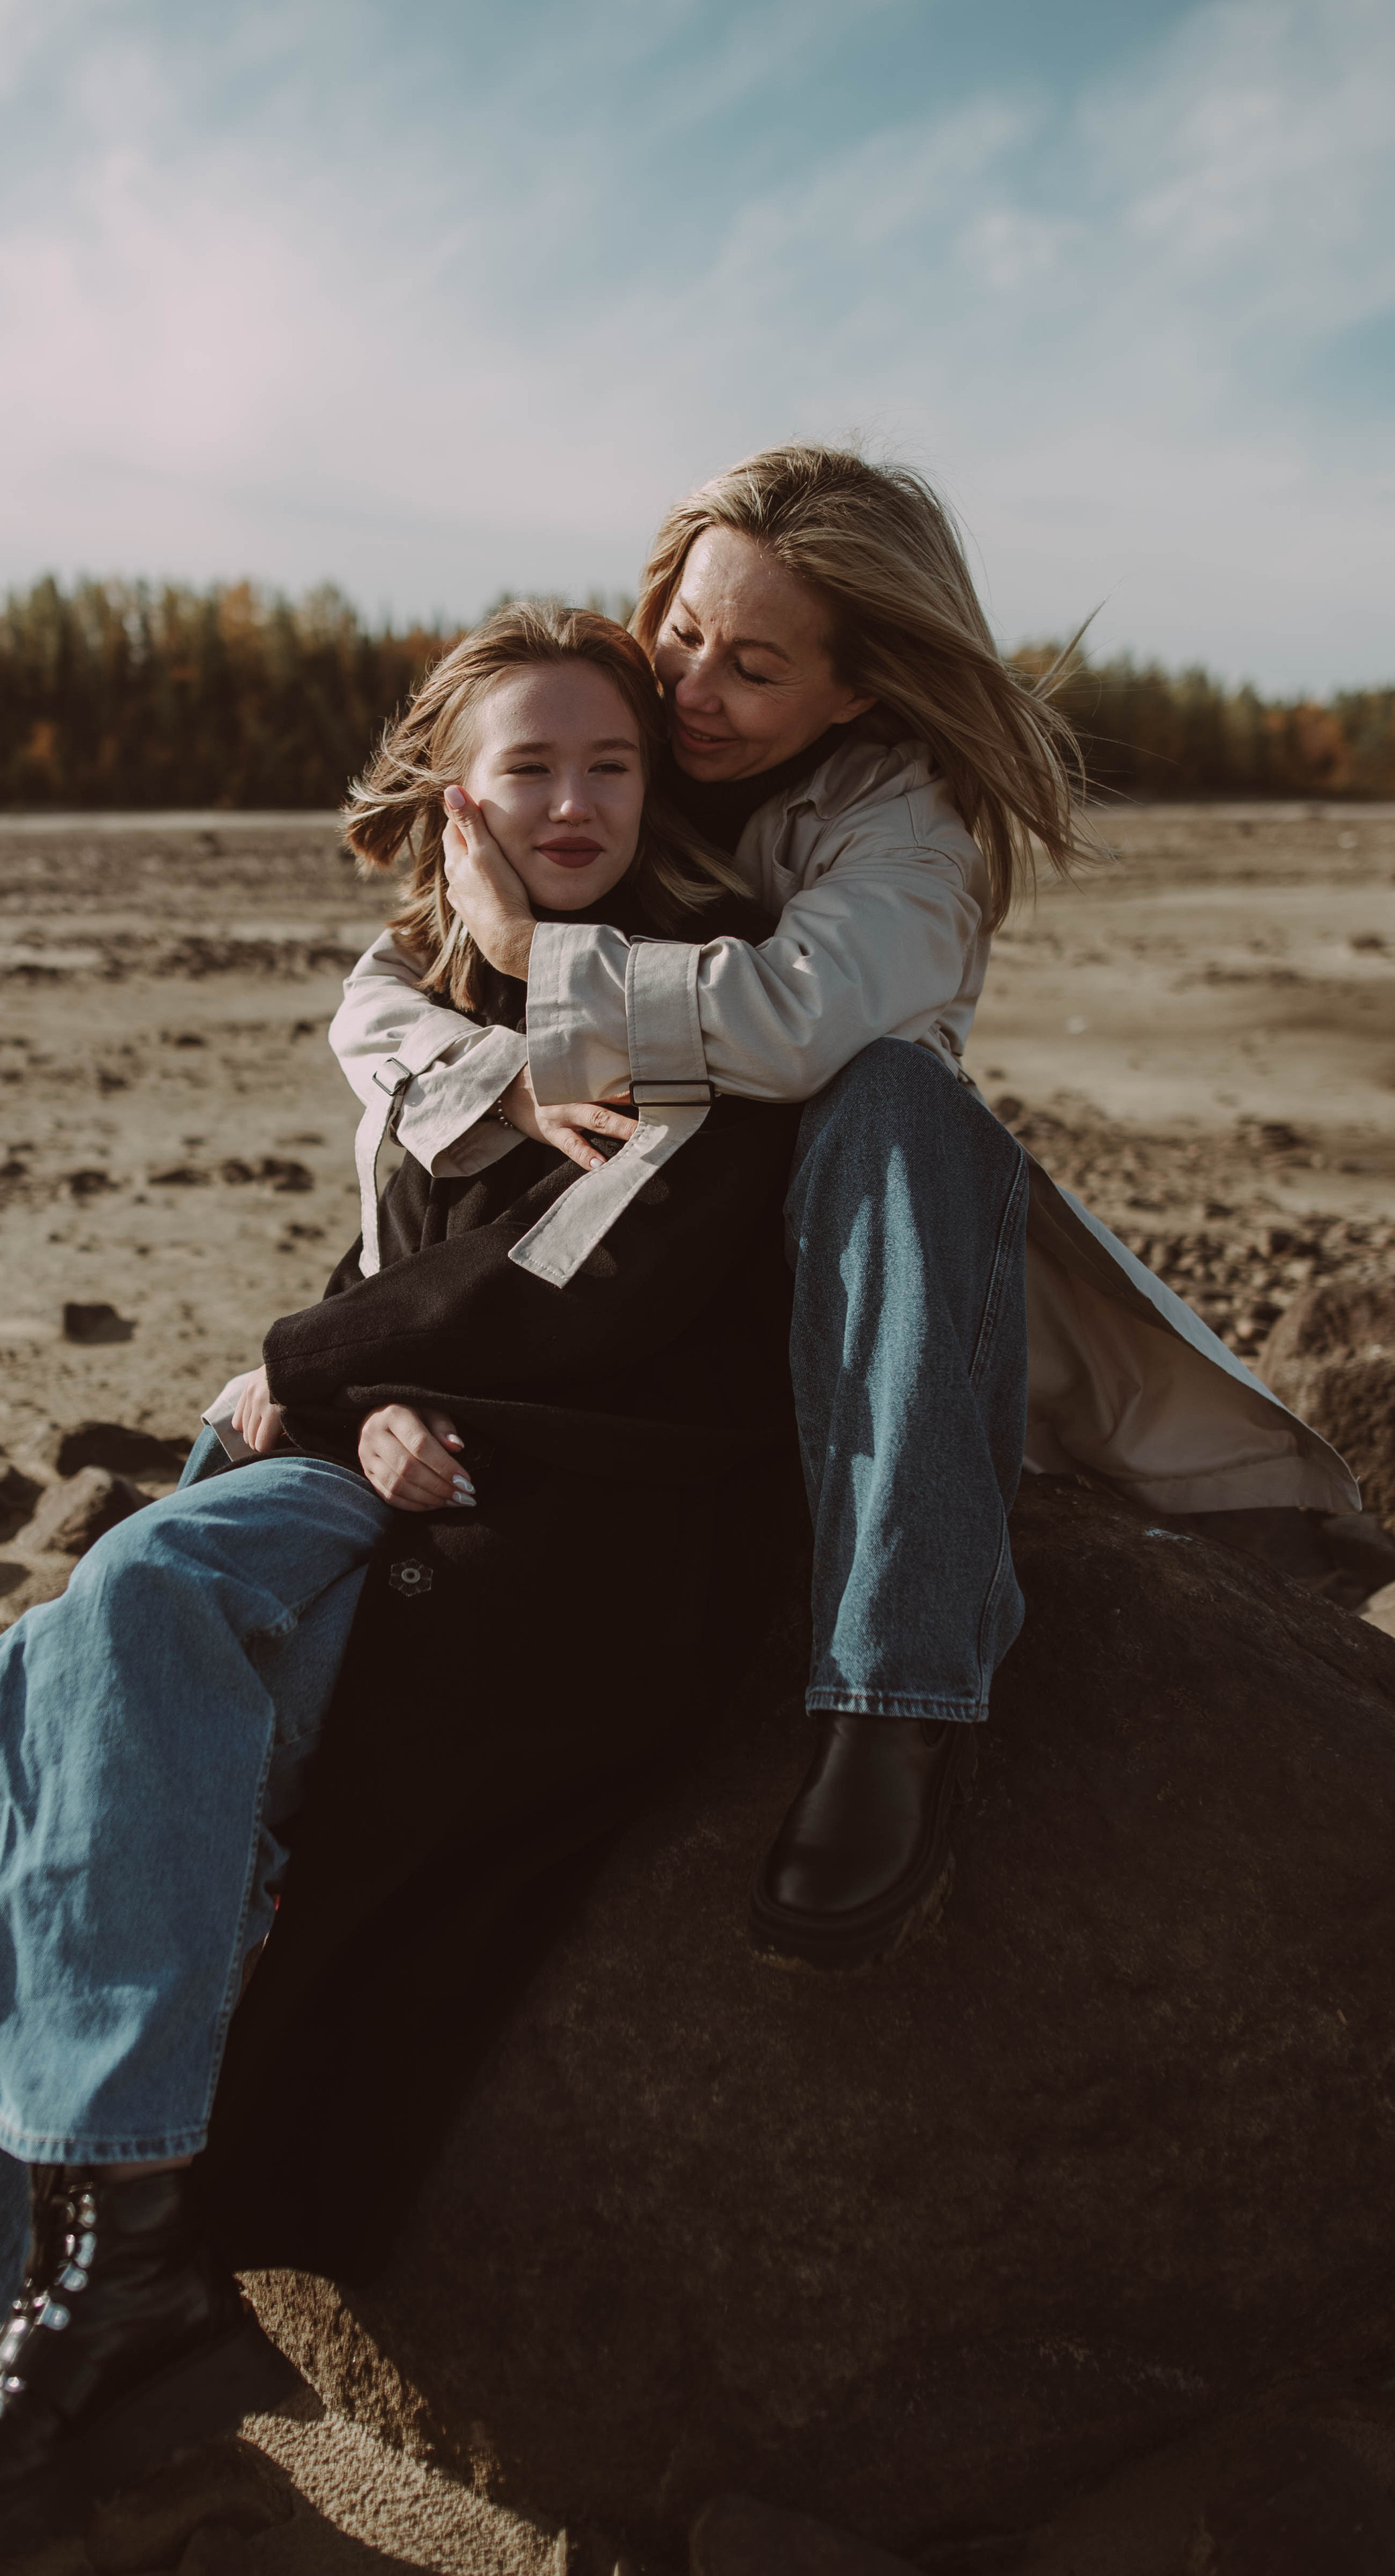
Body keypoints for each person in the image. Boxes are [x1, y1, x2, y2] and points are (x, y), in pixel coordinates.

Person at [0, 607, 806, 2576]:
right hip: (393, 1452)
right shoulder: (419, 1002)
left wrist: (332, 1368)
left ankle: (109, 2263)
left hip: (553, 1508)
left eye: (612, 767)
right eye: (532, 767)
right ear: (455, 791)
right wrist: (373, 1385)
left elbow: (613, 1286)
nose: (576, 802)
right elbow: (456, 1249)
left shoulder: (676, 1002)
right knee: (51, 1659)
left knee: (128, 1610)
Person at [326, 442, 1357, 1977]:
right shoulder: (611, 745)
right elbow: (397, 981)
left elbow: (804, 1022)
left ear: (857, 689)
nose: (686, 688)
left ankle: (897, 1705)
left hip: (846, 1271)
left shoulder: (909, 824)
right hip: (615, 1287)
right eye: (679, 631)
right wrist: (467, 1140)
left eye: (749, 666)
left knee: (888, 1093)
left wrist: (549, 967)